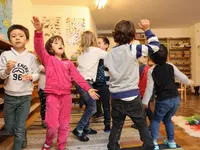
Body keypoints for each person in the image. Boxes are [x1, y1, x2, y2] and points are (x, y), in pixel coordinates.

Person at [32, 16, 99, 150]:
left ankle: (61, 145)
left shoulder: (68, 63)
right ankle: (48, 142)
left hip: (66, 97)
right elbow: (39, 47)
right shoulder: (48, 59)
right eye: (56, 42)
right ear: (50, 49)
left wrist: (88, 89)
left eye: (61, 42)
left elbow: (78, 77)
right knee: (53, 125)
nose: (60, 44)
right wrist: (38, 32)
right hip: (52, 96)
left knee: (64, 125)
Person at [104, 19, 160, 150]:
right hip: (132, 97)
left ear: (115, 35)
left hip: (116, 97)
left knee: (117, 125)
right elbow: (155, 46)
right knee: (142, 124)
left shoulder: (108, 55)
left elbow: (107, 78)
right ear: (132, 35)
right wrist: (147, 29)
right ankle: (148, 146)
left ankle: (112, 146)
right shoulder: (133, 49)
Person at [142, 44, 193, 150]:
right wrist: (189, 82)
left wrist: (145, 102)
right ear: (167, 56)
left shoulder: (151, 70)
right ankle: (171, 141)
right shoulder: (171, 65)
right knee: (168, 120)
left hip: (163, 100)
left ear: (151, 58)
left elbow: (149, 89)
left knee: (156, 120)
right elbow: (182, 76)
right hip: (175, 99)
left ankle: (154, 142)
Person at [0, 24, 40, 150]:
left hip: (25, 96)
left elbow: (37, 73)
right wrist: (7, 70)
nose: (17, 38)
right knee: (9, 126)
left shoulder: (31, 57)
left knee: (20, 125)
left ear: (26, 40)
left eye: (21, 36)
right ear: (10, 39)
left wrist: (31, 77)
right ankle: (23, 136)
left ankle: (17, 145)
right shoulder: (5, 55)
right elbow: (1, 75)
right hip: (9, 97)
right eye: (13, 36)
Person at [72, 31, 107, 142]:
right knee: (92, 107)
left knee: (89, 105)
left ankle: (86, 128)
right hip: (86, 83)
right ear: (93, 40)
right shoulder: (97, 51)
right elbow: (111, 56)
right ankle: (79, 128)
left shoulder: (82, 53)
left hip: (79, 82)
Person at [93, 36, 111, 132]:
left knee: (106, 106)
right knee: (94, 103)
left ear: (106, 45)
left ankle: (107, 124)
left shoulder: (108, 56)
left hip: (104, 84)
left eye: (99, 43)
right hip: (95, 84)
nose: (97, 45)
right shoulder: (94, 56)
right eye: (96, 43)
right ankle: (98, 112)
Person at [131, 56, 154, 129]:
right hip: (146, 91)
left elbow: (135, 79)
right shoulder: (148, 68)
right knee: (143, 109)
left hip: (142, 91)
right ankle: (143, 124)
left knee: (144, 109)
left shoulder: (141, 68)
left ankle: (151, 123)